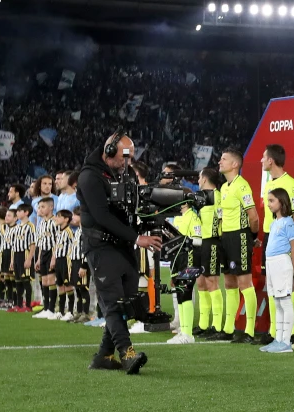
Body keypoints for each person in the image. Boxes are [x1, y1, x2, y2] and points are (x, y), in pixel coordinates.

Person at [76, 133, 163, 374]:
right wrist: (137, 237)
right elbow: (102, 216)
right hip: (102, 247)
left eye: (131, 157)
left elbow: (135, 204)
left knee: (126, 303)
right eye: (124, 156)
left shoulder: (127, 173)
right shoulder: (89, 176)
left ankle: (104, 355)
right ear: (109, 149)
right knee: (114, 304)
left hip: (124, 246)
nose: (128, 162)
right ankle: (127, 353)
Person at [216, 149, 259, 344]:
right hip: (226, 236)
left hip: (240, 235)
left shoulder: (242, 186)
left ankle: (249, 331)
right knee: (229, 283)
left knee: (244, 283)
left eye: (224, 159)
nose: (219, 161)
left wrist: (252, 236)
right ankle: (228, 328)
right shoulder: (224, 187)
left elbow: (253, 216)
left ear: (235, 164)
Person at [259, 144, 294, 345]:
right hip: (270, 235)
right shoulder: (268, 184)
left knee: (288, 291)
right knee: (274, 292)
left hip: (282, 240)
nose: (261, 160)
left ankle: (293, 332)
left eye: (263, 157)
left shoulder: (289, 183)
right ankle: (276, 333)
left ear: (271, 160)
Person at [261, 188, 294, 354]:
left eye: (272, 201)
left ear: (282, 202)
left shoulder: (288, 222)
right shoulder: (274, 223)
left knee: (284, 301)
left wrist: (292, 271)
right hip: (271, 263)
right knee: (277, 302)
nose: (268, 204)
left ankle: (285, 341)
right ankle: (278, 339)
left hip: (282, 263)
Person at [193, 168, 224, 338]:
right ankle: (203, 324)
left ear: (205, 179)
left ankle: (217, 325)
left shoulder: (217, 196)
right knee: (201, 283)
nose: (198, 180)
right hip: (200, 242)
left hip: (212, 242)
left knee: (212, 282)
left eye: (199, 177)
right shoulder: (201, 197)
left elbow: (222, 219)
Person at [166, 201, 201, 344]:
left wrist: (185, 241)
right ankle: (183, 330)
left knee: (186, 292)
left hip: (189, 258)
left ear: (185, 202)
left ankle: (188, 334)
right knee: (179, 292)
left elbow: (199, 240)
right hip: (177, 260)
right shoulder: (177, 218)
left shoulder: (193, 217)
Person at [33, 197, 60, 318]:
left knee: (51, 280)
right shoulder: (42, 223)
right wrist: (38, 258)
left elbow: (57, 241)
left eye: (43, 207)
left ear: (51, 207)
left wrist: (54, 258)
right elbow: (39, 243)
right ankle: (46, 307)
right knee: (44, 281)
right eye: (39, 207)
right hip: (43, 253)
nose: (40, 209)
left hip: (51, 253)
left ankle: (52, 308)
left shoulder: (55, 222)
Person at [10, 205, 36, 312]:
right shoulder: (16, 227)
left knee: (26, 281)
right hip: (16, 255)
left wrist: (29, 259)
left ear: (26, 212)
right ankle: (19, 305)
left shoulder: (30, 226)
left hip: (25, 254)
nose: (17, 213)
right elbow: (13, 245)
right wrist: (12, 260)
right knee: (17, 281)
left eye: (19, 211)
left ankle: (28, 305)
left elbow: (33, 244)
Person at [66, 209, 91, 323]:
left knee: (83, 288)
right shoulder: (78, 231)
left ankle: (85, 313)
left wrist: (84, 265)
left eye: (75, 215)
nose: (73, 217)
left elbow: (87, 249)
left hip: (82, 262)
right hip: (75, 262)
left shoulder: (86, 231)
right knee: (77, 288)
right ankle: (79, 312)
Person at [50, 209, 75, 320]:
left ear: (66, 219)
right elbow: (56, 246)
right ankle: (60, 310)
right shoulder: (58, 231)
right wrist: (53, 259)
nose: (56, 218)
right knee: (60, 285)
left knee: (67, 285)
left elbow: (72, 247)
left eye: (59, 216)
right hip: (59, 260)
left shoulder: (69, 232)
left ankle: (70, 311)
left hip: (66, 260)